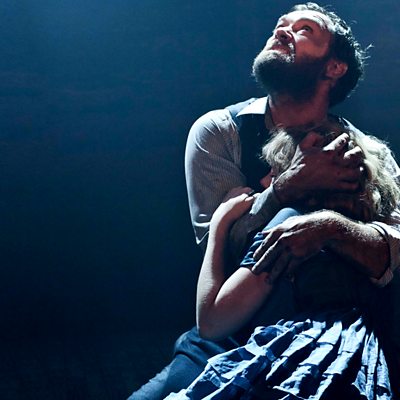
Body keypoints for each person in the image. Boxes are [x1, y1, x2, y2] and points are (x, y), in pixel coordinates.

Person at [128, 3, 400, 399]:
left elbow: (395, 248)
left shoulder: (372, 155)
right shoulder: (220, 131)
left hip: (336, 336)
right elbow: (221, 254)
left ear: (334, 67)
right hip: (232, 334)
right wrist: (287, 189)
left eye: (305, 29)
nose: (283, 30)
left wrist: (331, 229)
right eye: (281, 24)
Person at [163, 125, 400, 398]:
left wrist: (219, 225)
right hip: (362, 368)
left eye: (276, 172)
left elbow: (212, 323)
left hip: (293, 368)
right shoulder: (367, 234)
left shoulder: (290, 227)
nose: (266, 181)